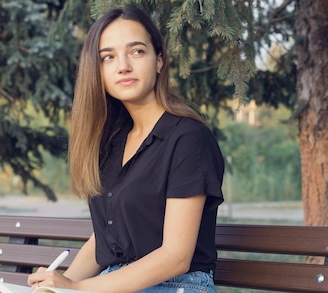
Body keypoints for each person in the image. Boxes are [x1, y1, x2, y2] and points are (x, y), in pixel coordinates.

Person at [27, 5, 225, 293]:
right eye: (108, 57)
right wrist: (58, 287)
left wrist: (79, 290)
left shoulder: (188, 138)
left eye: (136, 52)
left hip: (176, 286)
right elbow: (103, 241)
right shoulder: (112, 143)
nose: (123, 66)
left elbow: (176, 257)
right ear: (97, 70)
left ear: (159, 61)